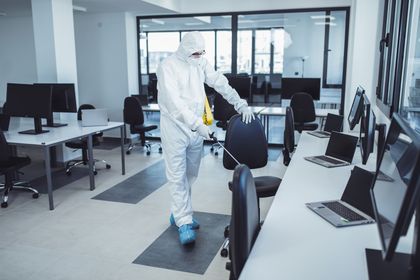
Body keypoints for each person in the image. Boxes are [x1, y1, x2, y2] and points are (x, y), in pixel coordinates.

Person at [156, 31, 254, 245]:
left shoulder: (199, 62)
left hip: (196, 129)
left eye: (202, 52)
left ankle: (180, 211)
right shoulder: (167, 67)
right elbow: (174, 104)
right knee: (176, 175)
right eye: (195, 52)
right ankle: (183, 221)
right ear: (184, 49)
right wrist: (197, 124)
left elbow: (220, 82)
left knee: (191, 174)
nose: (199, 55)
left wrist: (240, 103)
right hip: (175, 127)